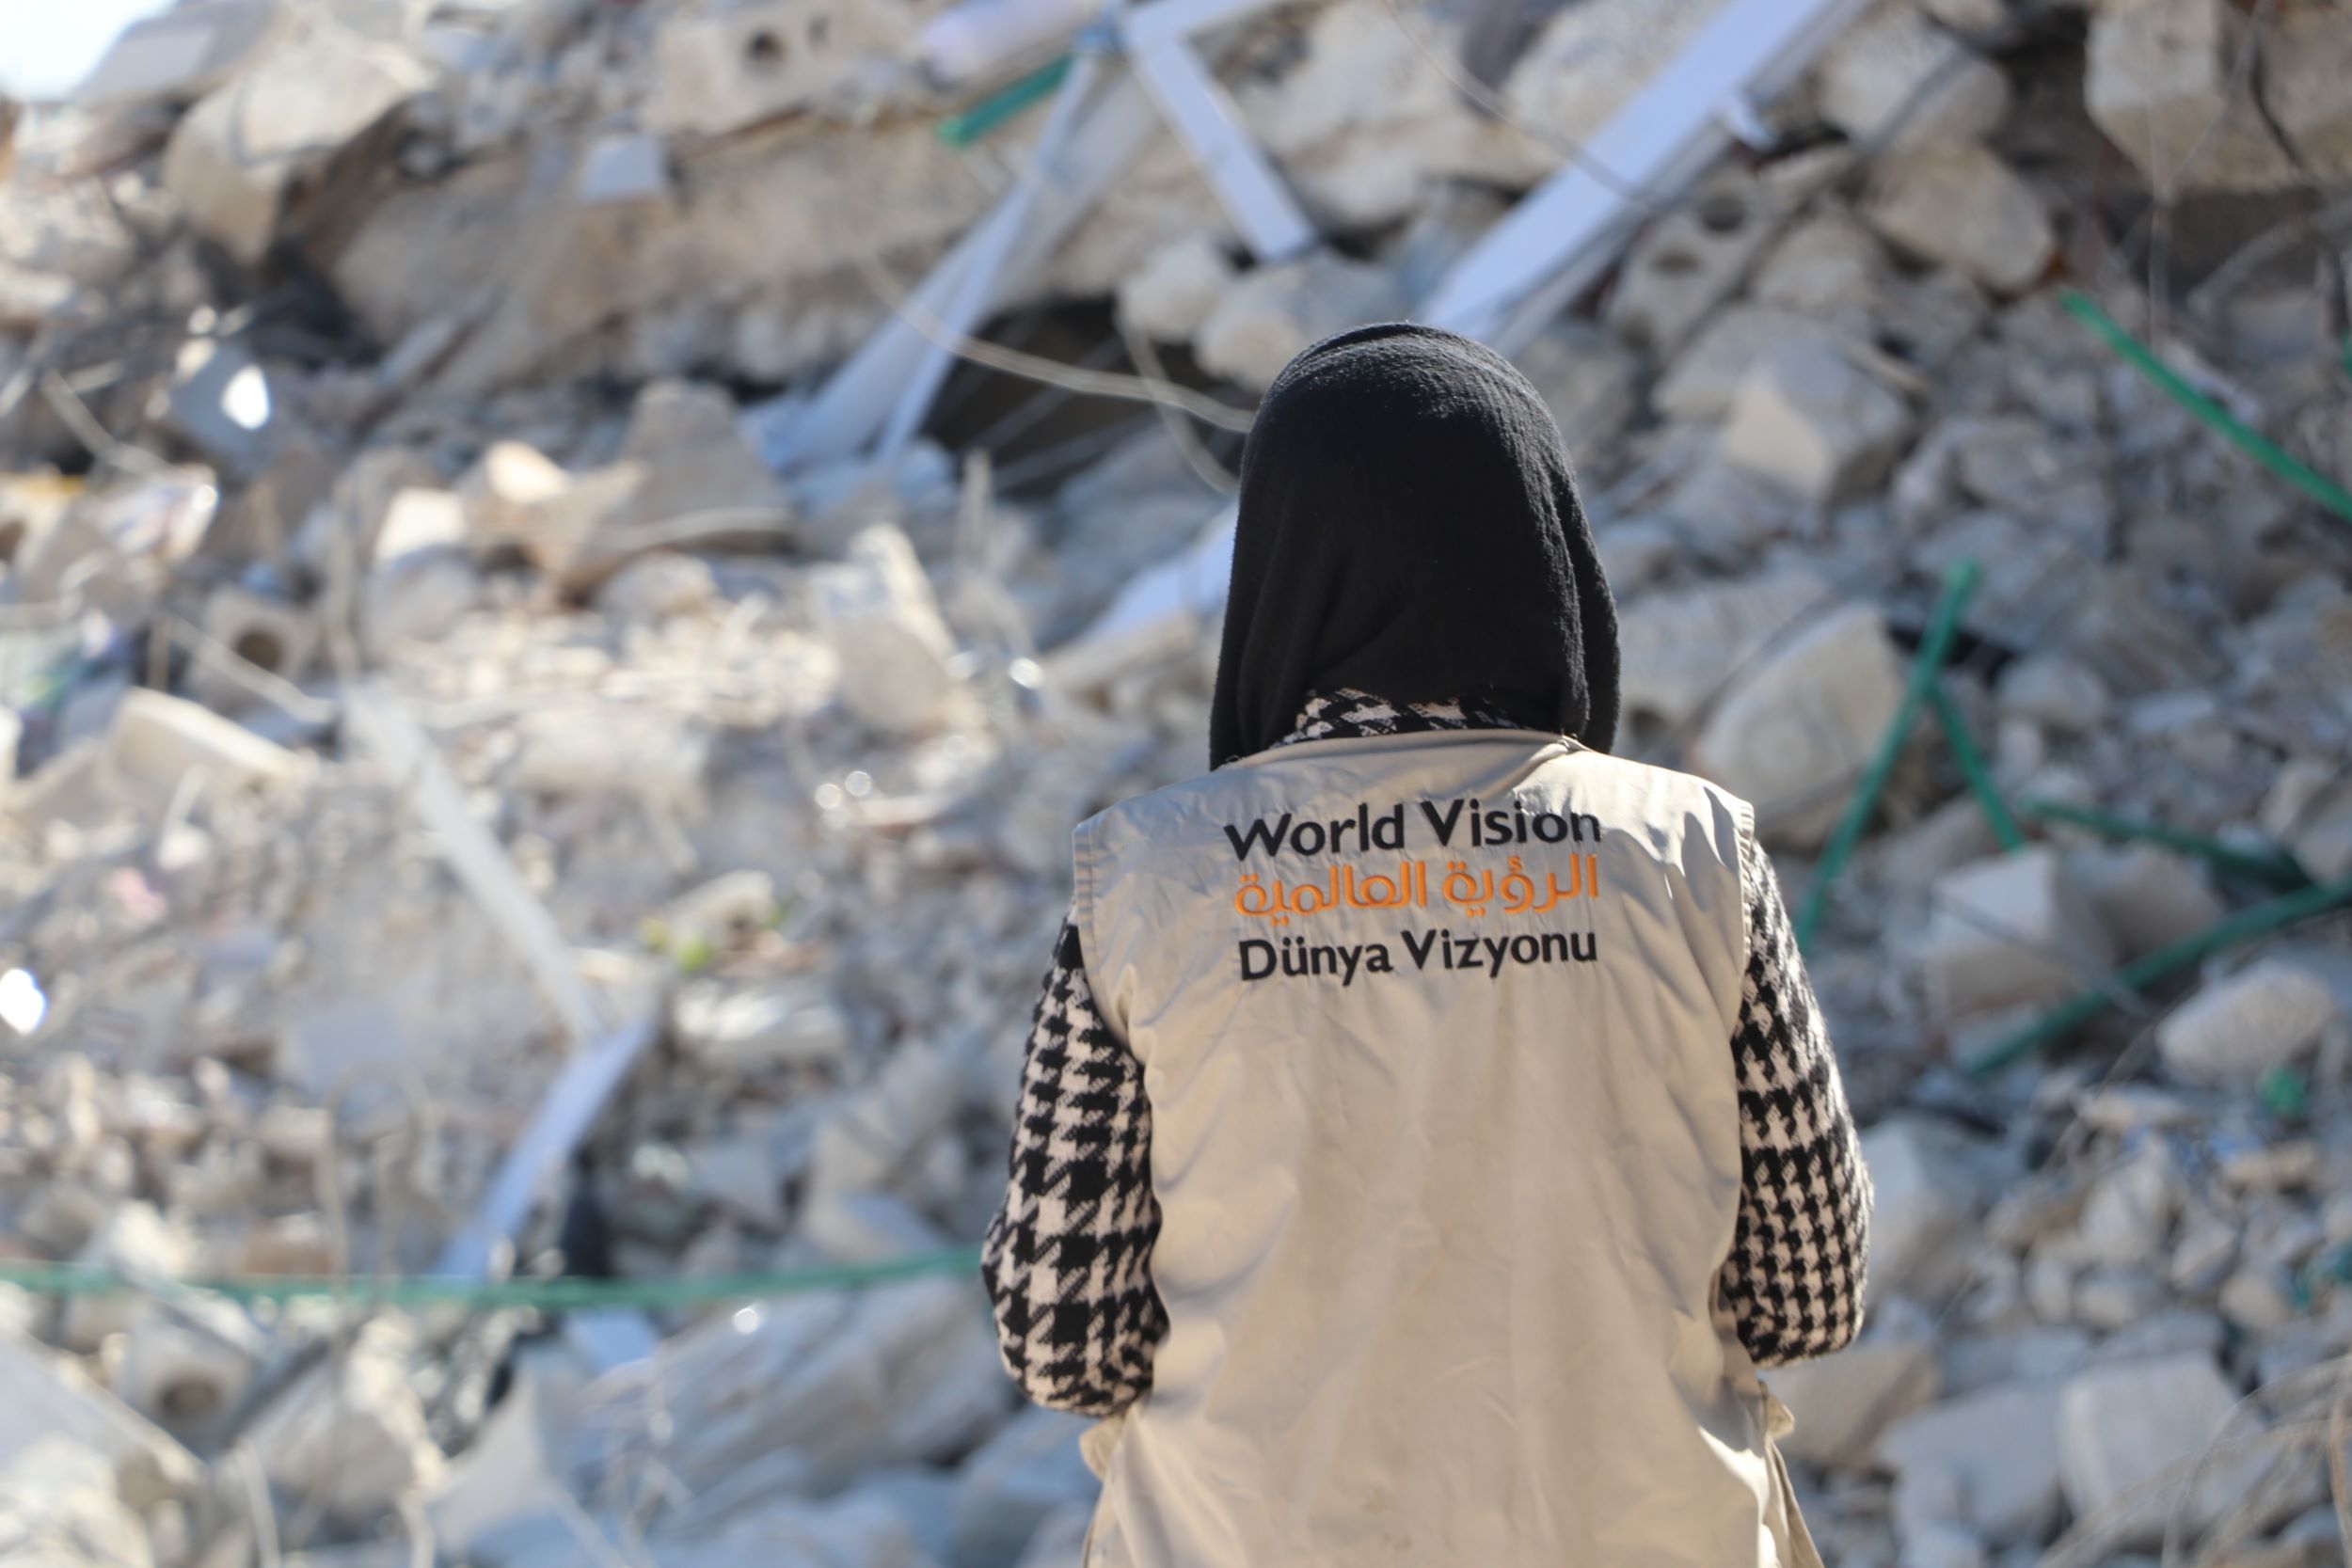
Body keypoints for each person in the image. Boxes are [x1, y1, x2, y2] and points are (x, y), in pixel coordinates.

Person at [982, 325, 1870, 1567]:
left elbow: (1062, 1344)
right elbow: (1812, 1294)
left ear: (1281, 568)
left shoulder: (1148, 885)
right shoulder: (1692, 860)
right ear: (1545, 555)